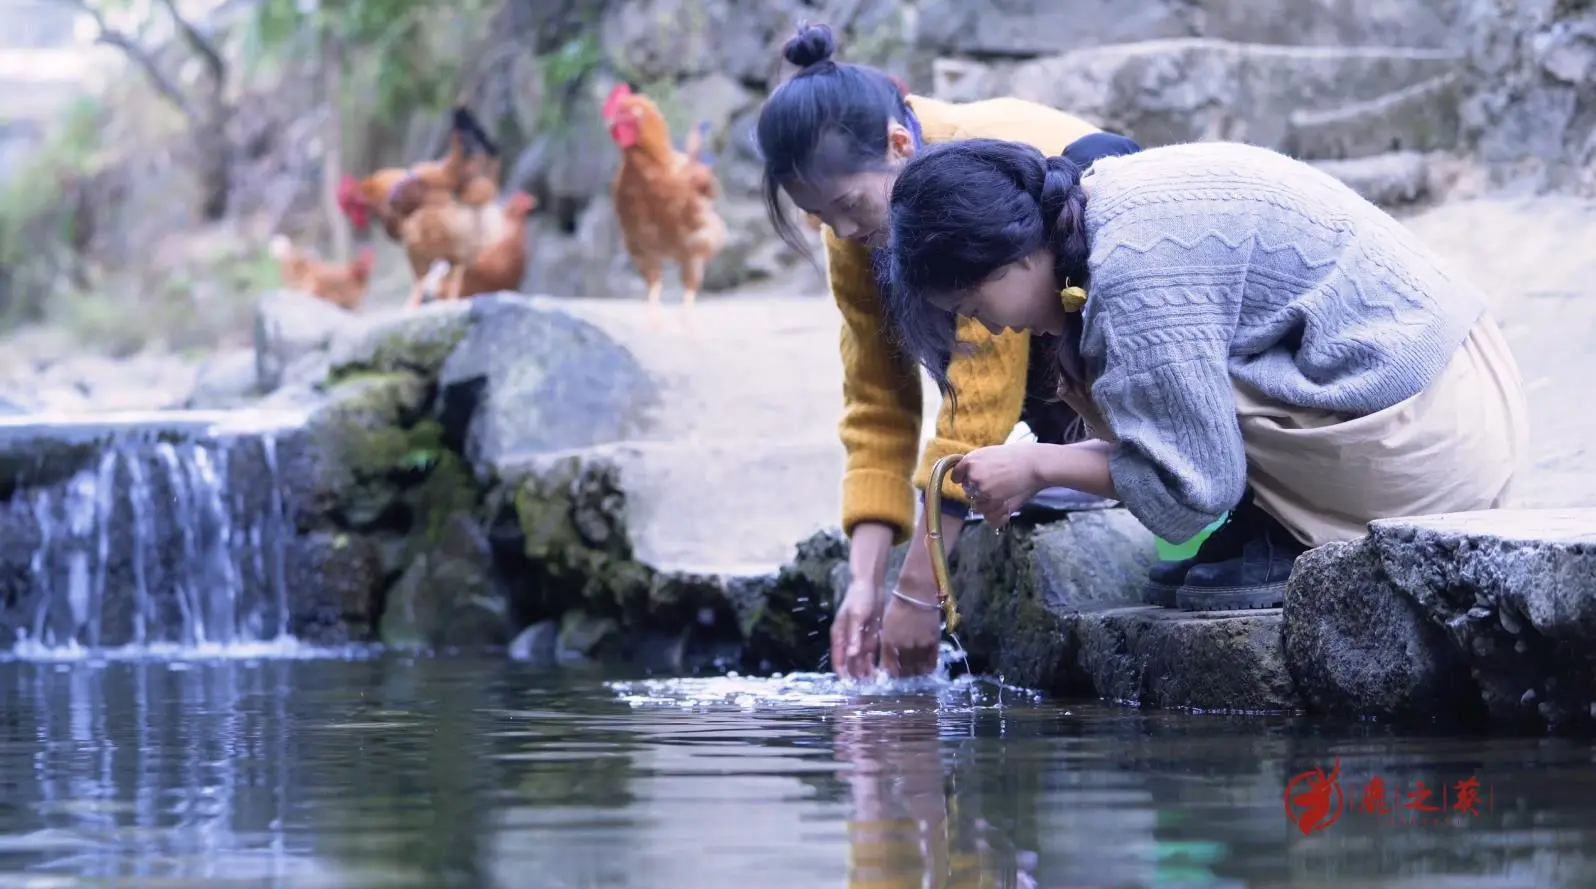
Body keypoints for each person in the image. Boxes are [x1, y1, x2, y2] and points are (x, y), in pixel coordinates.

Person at [878, 137, 1528, 669]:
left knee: (1172, 394)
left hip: (1435, 433)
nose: (989, 330)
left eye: (973, 307)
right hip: (1448, 385)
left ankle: (1305, 532)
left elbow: (1194, 490)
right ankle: (1281, 521)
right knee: (1166, 385)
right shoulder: (1103, 203)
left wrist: (1041, 466)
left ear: (1010, 257)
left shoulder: (1130, 274)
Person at [754, 21, 1129, 680]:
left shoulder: (960, 173)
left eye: (846, 206)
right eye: (821, 219)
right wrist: (865, 583)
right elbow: (876, 400)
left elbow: (977, 400)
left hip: (1113, 314)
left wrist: (919, 592)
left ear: (901, 145)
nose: (842, 232)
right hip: (1048, 341)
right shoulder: (855, 224)